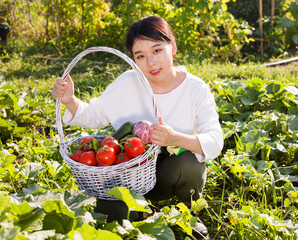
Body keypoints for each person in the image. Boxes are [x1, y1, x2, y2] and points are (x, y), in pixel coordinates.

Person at [51, 15, 223, 240]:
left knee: (188, 163)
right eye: (140, 56)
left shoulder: (195, 88)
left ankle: (189, 214)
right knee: (111, 221)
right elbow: (94, 115)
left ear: (173, 47)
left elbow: (215, 140)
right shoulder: (129, 82)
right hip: (129, 176)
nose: (150, 63)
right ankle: (138, 209)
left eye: (157, 51)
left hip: (169, 172)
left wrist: (175, 138)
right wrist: (70, 100)